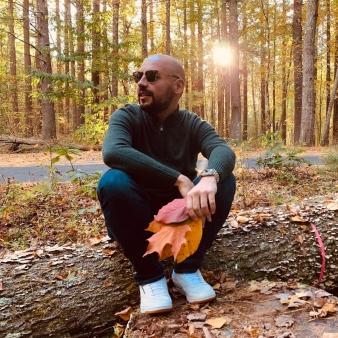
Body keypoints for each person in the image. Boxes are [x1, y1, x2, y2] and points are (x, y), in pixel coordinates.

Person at [97, 54, 236, 314]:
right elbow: (113, 152)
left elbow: (222, 150)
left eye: (151, 76)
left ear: (178, 86)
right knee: (113, 181)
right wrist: (179, 178)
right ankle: (150, 278)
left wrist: (209, 176)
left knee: (223, 179)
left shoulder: (192, 124)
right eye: (137, 76)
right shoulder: (126, 117)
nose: (141, 82)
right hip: (135, 219)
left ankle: (187, 269)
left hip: (179, 219)